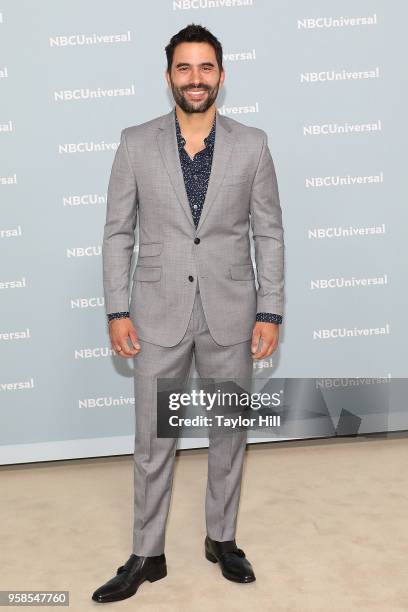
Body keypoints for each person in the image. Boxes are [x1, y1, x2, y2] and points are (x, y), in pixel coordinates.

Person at [92, 23, 284, 604]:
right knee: (155, 441)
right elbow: (116, 233)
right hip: (156, 312)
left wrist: (270, 311)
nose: (195, 78)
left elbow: (269, 235)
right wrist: (118, 309)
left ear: (221, 76)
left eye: (205, 68)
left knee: (229, 433)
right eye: (184, 68)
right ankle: (147, 554)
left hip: (232, 311)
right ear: (169, 75)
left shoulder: (252, 144)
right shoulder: (134, 142)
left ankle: (220, 539)